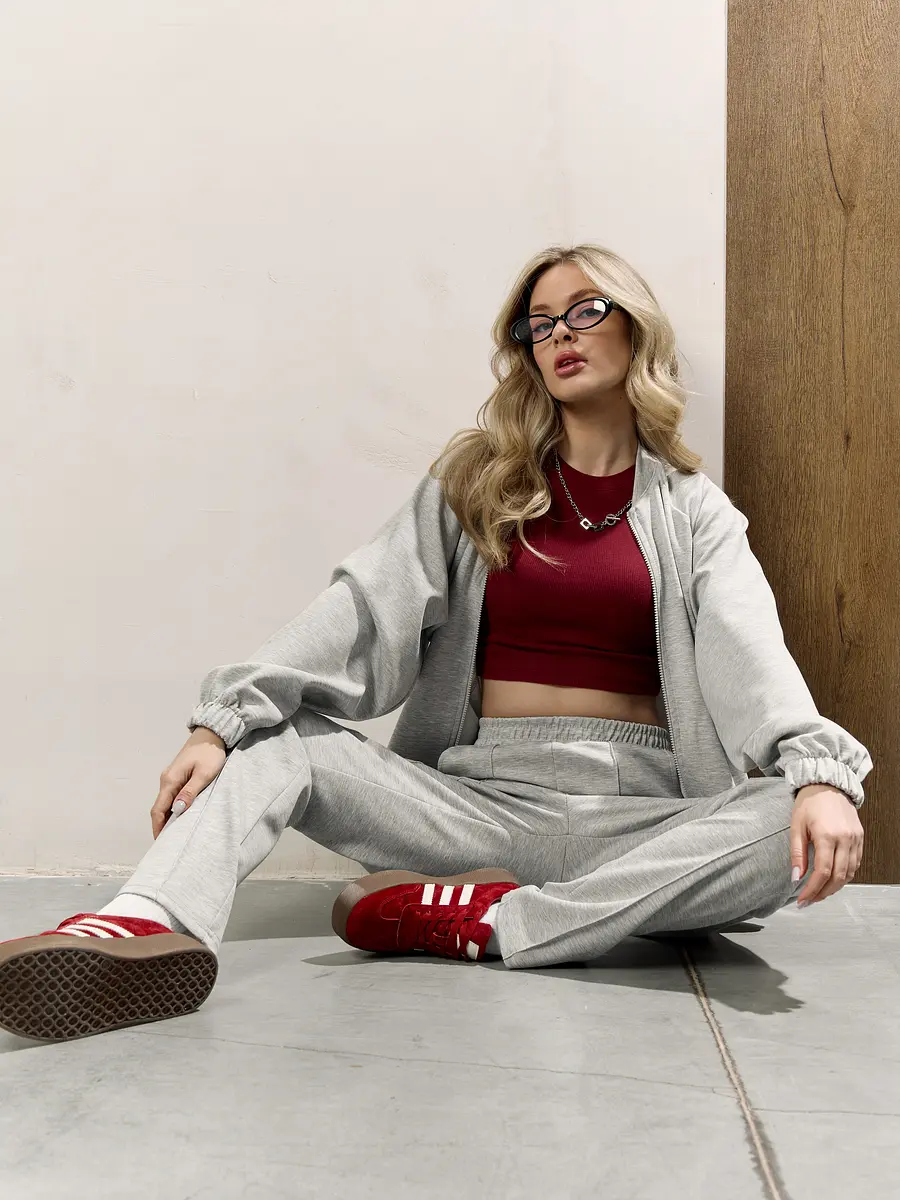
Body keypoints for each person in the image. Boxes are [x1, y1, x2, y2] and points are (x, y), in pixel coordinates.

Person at [0, 243, 872, 1043]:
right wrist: (222, 721)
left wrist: (818, 776)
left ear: (635, 327)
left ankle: (493, 922)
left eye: (584, 311)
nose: (560, 335)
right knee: (272, 742)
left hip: (641, 823)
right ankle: (145, 923)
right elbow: (361, 610)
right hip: (475, 812)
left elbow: (750, 654)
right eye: (539, 325)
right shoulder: (478, 486)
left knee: (785, 820)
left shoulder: (694, 511)